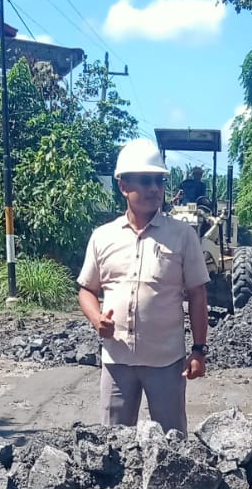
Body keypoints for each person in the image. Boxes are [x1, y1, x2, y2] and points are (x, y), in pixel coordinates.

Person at [78, 139, 209, 435]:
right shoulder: (103, 237)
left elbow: (198, 295)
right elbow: (87, 289)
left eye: (159, 181)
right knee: (113, 445)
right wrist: (96, 318)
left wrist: (199, 350)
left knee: (172, 442)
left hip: (166, 362)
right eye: (145, 181)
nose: (154, 189)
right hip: (117, 362)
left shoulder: (182, 235)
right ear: (123, 185)